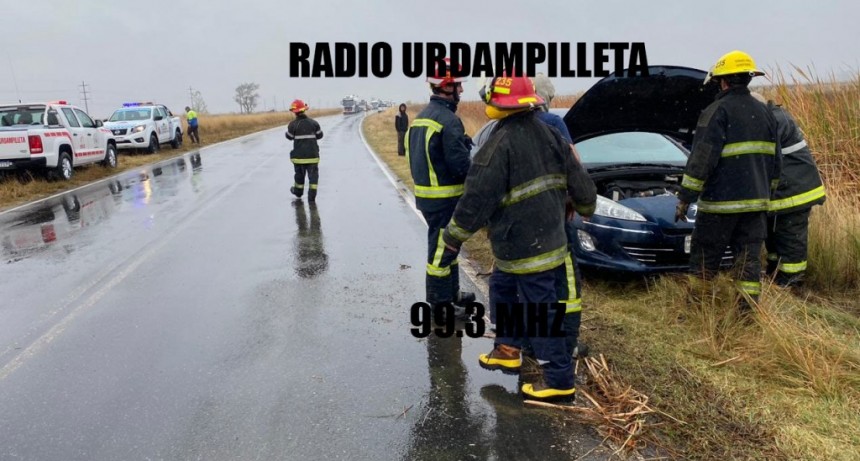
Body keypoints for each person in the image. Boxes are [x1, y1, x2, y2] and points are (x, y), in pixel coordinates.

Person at [440, 73, 597, 402]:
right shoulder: (552, 134)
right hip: (544, 242)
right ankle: (508, 348)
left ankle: (558, 379)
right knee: (502, 289)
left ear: (497, 104)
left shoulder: (498, 145)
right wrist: (585, 205)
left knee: (539, 311)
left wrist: (453, 240)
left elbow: (475, 200)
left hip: (524, 248)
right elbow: (580, 180)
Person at [676, 50, 781, 307]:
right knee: (748, 263)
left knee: (705, 259)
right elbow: (776, 162)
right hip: (756, 206)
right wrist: (768, 194)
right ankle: (746, 312)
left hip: (720, 206)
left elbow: (701, 160)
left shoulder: (716, 111)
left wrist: (685, 199)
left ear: (723, 81)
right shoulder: (765, 112)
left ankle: (698, 308)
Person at [406, 58, 475, 317]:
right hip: (445, 199)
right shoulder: (449, 120)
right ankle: (439, 305)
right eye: (458, 85)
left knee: (448, 247)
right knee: (440, 253)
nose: (461, 90)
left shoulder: (422, 118)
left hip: (428, 197)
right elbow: (460, 166)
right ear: (447, 87)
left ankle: (452, 294)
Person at [533, 73, 588, 359]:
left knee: (531, 283)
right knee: (565, 281)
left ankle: (532, 343)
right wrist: (581, 202)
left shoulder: (506, 126)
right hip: (554, 218)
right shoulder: (553, 123)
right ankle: (566, 344)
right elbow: (575, 165)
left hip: (522, 225)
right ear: (546, 98)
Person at [749, 92, 826, 288]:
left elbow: (762, 152)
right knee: (775, 242)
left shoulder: (775, 119)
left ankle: (792, 285)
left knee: (791, 244)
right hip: (785, 193)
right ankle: (776, 278)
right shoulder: (773, 115)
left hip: (795, 194)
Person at [285, 99, 324, 202]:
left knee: (299, 176)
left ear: (295, 112)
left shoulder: (292, 124)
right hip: (312, 156)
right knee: (313, 178)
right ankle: (311, 197)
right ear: (304, 110)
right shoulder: (314, 123)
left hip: (299, 158)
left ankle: (298, 192)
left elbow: (289, 137)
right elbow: (320, 135)